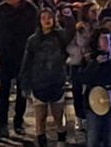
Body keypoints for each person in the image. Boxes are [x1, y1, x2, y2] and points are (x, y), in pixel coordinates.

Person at [20, 8, 74, 147]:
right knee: (40, 119)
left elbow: (70, 32)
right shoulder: (32, 40)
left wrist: (68, 17)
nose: (47, 20)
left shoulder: (60, 36)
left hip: (56, 82)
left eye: (49, 17)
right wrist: (24, 85)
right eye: (43, 17)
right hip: (39, 83)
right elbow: (26, 63)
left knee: (58, 116)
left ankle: (61, 141)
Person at [0, 0, 37, 137]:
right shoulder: (2, 8)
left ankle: (18, 121)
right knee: (4, 90)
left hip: (22, 55)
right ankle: (2, 122)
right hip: (6, 54)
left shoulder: (30, 10)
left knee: (21, 91)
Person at [80, 28, 111, 147]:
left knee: (110, 137)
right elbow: (82, 78)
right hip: (94, 101)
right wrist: (95, 64)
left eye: (108, 39)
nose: (106, 42)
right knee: (93, 137)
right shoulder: (89, 58)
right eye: (103, 39)